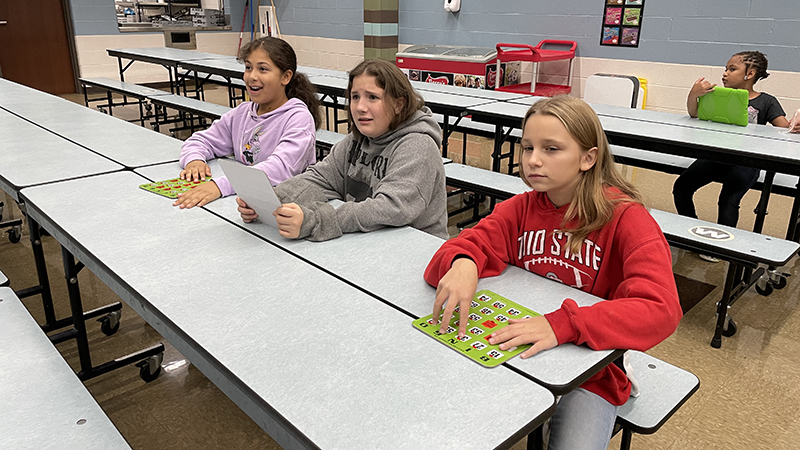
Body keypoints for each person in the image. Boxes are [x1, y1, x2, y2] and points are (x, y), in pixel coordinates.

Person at [423, 96, 682, 450]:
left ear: (588, 158)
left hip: (591, 371)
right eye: (527, 147)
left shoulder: (627, 219)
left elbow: (661, 309)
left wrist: (562, 324)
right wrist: (464, 263)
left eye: (551, 149)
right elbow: (462, 246)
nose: (533, 160)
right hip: (516, 352)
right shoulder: (521, 208)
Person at [237, 59, 448, 242]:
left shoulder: (418, 146)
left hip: (417, 250)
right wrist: (272, 200)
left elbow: (391, 208)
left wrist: (316, 220)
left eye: (372, 97)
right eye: (355, 97)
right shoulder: (356, 140)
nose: (360, 107)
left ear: (399, 104)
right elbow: (321, 178)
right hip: (369, 241)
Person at [174, 37, 321, 209]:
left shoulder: (298, 119)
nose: (252, 76)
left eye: (263, 69)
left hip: (287, 207)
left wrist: (220, 185)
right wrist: (195, 160)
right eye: (248, 67)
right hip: (246, 203)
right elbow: (201, 140)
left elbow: (279, 168)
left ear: (286, 77)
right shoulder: (243, 113)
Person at [674, 51, 792, 261]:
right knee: (681, 187)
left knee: (728, 199)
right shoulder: (716, 94)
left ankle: (719, 247)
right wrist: (694, 94)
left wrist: (795, 126)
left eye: (732, 69)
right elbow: (694, 113)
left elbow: (784, 128)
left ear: (750, 73)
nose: (725, 74)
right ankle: (689, 232)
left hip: (746, 163)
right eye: (725, 69)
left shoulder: (767, 102)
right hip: (715, 158)